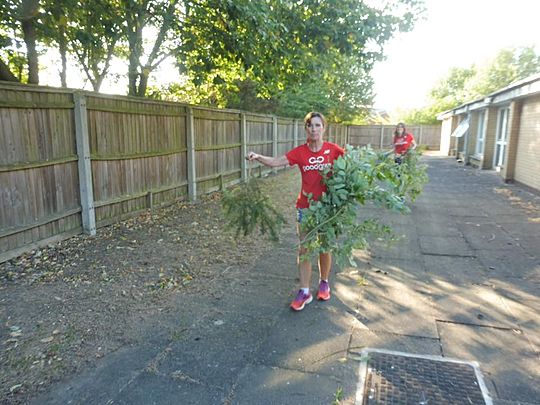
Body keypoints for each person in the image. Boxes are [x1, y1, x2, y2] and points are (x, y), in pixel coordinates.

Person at [247, 112, 344, 311]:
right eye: (310, 126)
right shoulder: (300, 152)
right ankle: (304, 291)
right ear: (306, 129)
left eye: (318, 125)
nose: (314, 129)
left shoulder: (333, 150)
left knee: (325, 246)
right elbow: (276, 161)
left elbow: (351, 169)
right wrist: (258, 157)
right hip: (306, 208)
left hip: (327, 208)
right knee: (305, 248)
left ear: (324, 128)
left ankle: (324, 282)